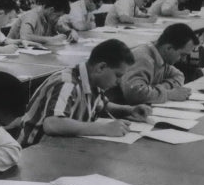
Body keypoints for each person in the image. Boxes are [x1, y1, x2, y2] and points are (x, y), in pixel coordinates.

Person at [17, 39, 151, 147]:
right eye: (118, 75)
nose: (119, 81)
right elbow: (52, 124)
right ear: (101, 67)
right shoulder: (67, 83)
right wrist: (103, 128)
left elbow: (102, 105)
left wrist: (129, 110)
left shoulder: (93, 80)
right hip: (36, 149)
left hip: (62, 146)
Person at [107, 23, 199, 105]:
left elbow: (179, 76)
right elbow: (134, 94)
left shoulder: (162, 59)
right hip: (119, 109)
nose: (184, 59)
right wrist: (169, 94)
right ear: (168, 48)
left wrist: (157, 89)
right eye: (182, 54)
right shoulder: (144, 59)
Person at [7, 0, 75, 45]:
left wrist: (72, 32)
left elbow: (65, 29)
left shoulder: (51, 17)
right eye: (58, 16)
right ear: (51, 10)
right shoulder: (32, 15)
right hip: (14, 53)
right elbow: (25, 37)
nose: (58, 19)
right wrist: (52, 39)